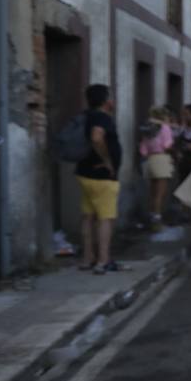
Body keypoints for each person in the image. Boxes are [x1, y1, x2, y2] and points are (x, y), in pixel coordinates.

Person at [76, 84, 123, 274]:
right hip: (102, 177)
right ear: (105, 100)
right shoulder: (103, 118)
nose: (113, 99)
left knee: (88, 217)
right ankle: (103, 260)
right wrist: (108, 161)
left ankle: (88, 258)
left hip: (85, 173)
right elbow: (97, 138)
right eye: (110, 96)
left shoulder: (86, 116)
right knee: (105, 219)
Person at [138, 105, 175, 232]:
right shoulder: (164, 128)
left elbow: (142, 149)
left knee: (153, 193)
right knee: (161, 193)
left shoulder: (148, 128)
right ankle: (157, 221)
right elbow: (167, 145)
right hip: (162, 159)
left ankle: (151, 217)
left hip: (150, 160)